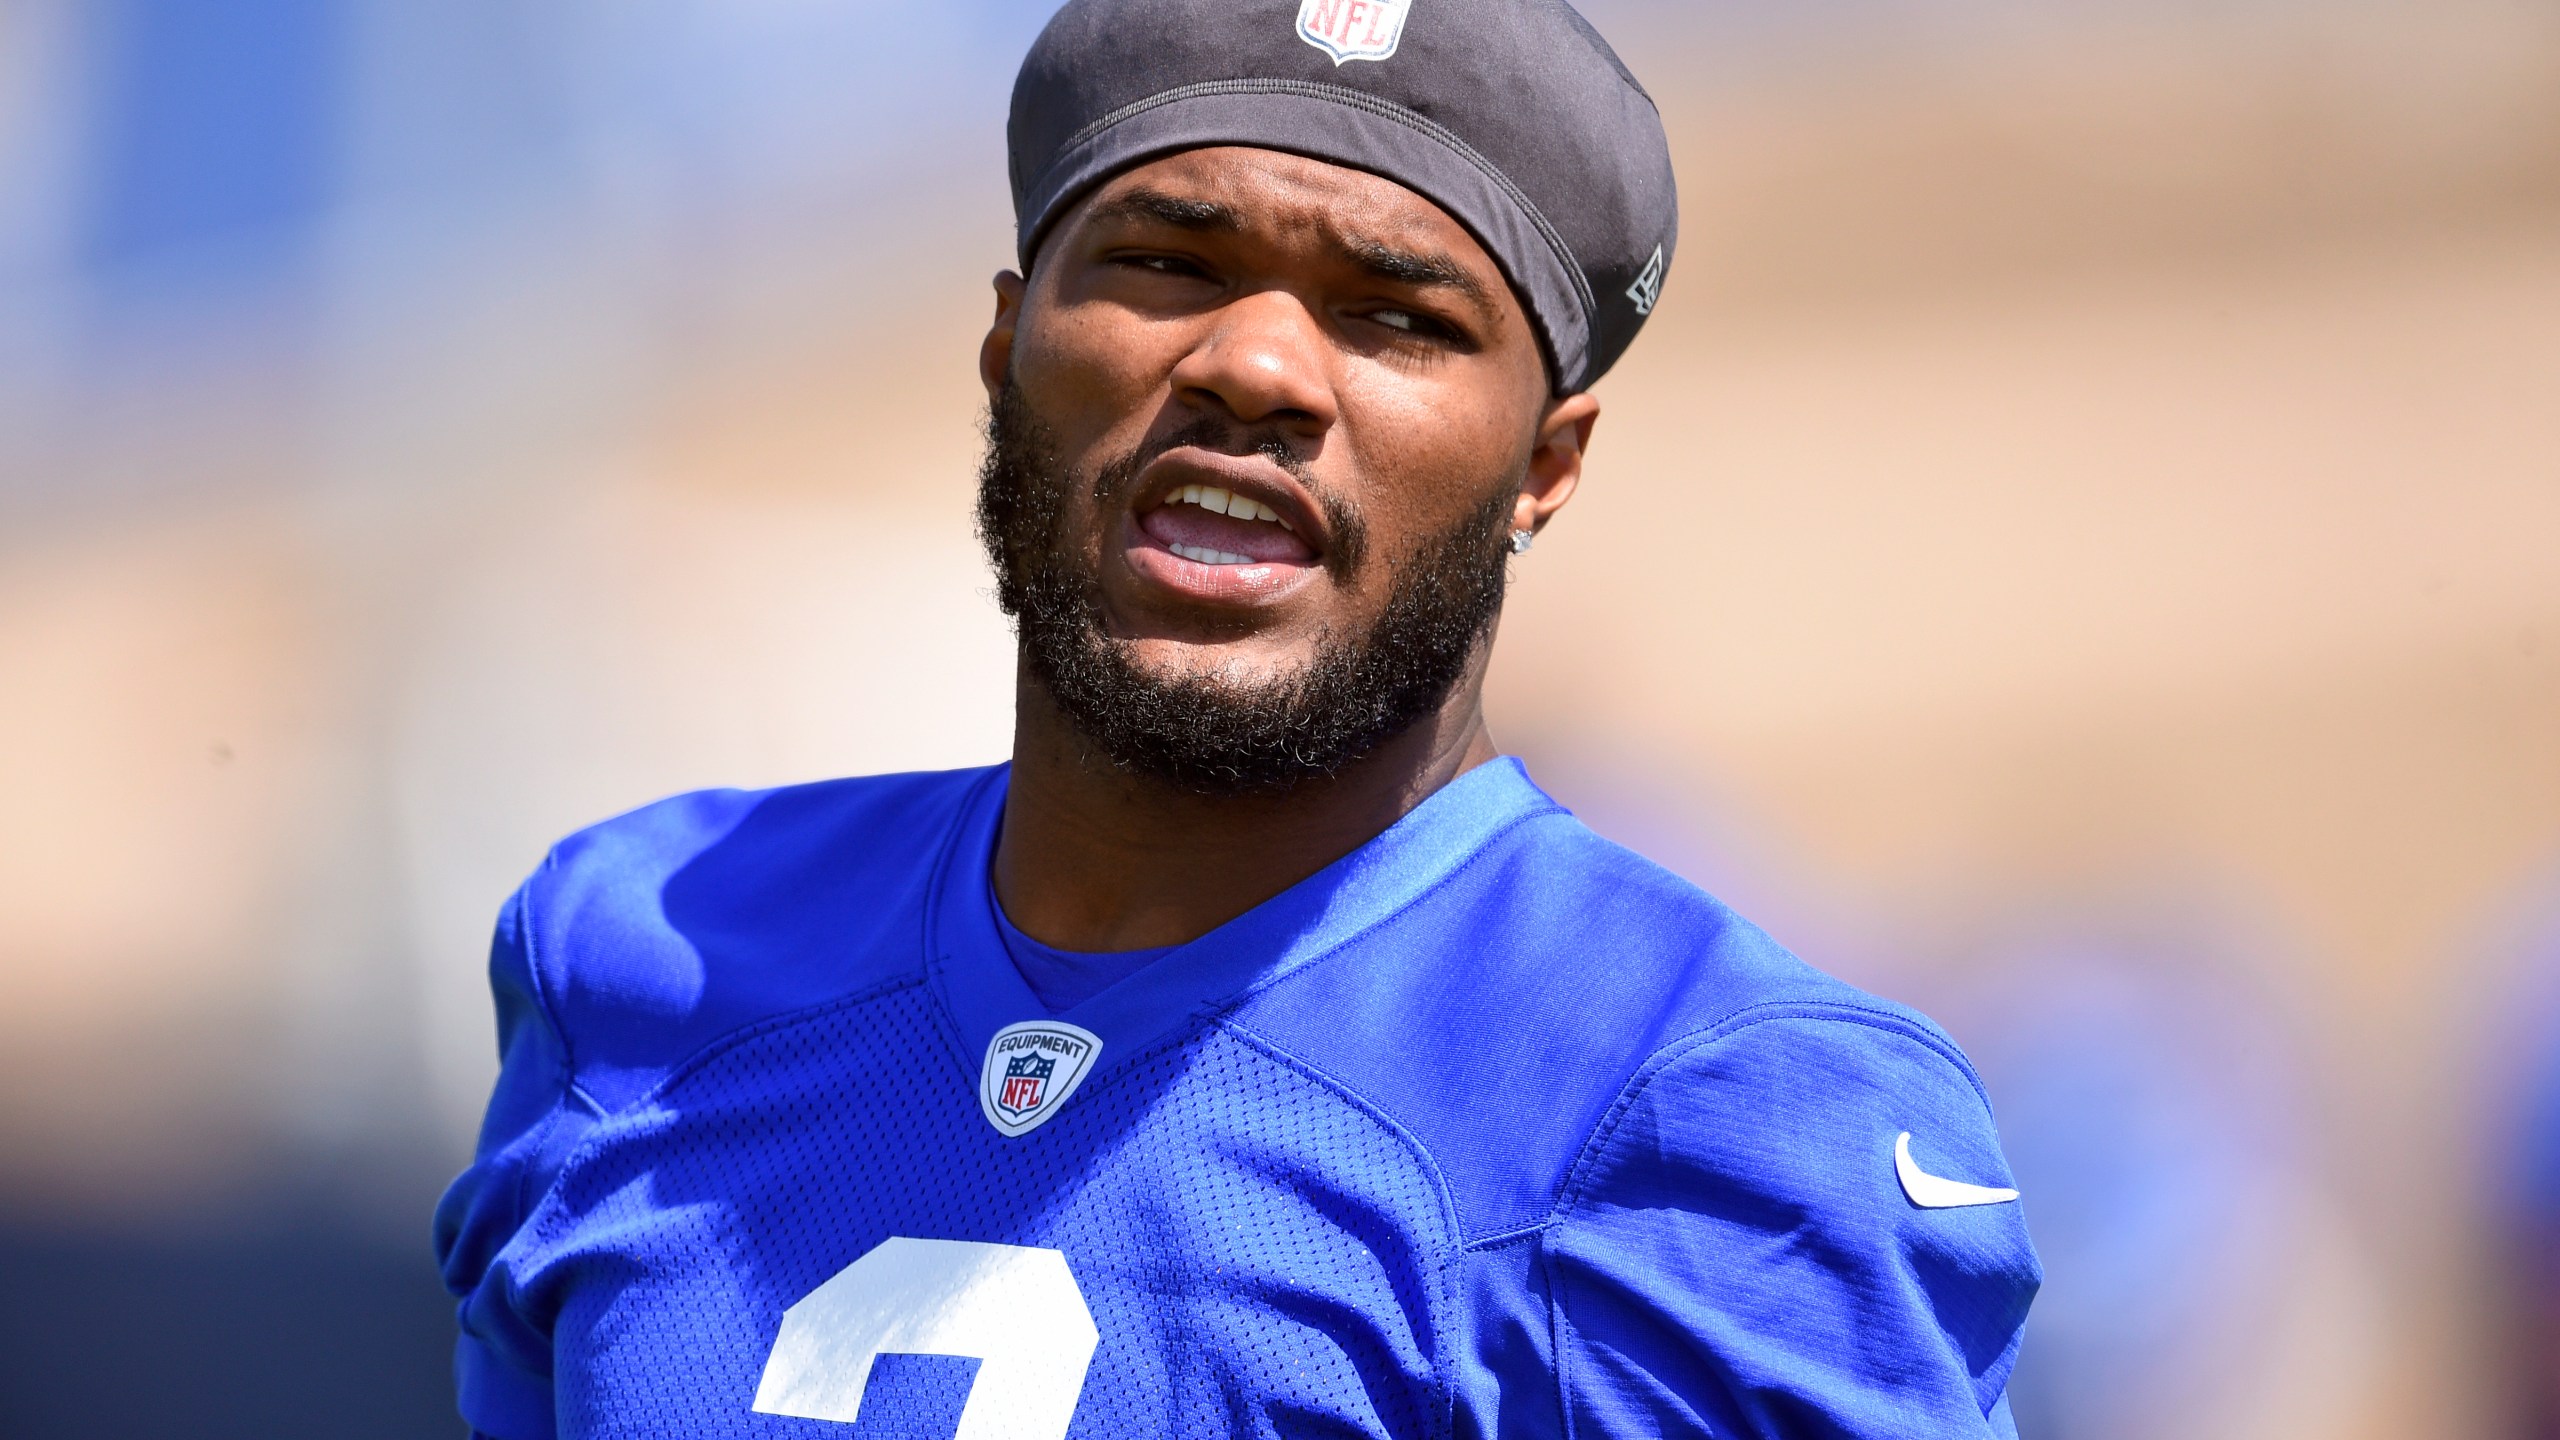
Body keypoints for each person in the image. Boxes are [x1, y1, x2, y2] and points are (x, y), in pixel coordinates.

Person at [434, 0, 2041, 1434]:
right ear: (1006, 346)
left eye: (1398, 313)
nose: (1258, 361)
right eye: (1167, 262)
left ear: (1547, 466)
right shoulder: (648, 949)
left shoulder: (1711, 1113)